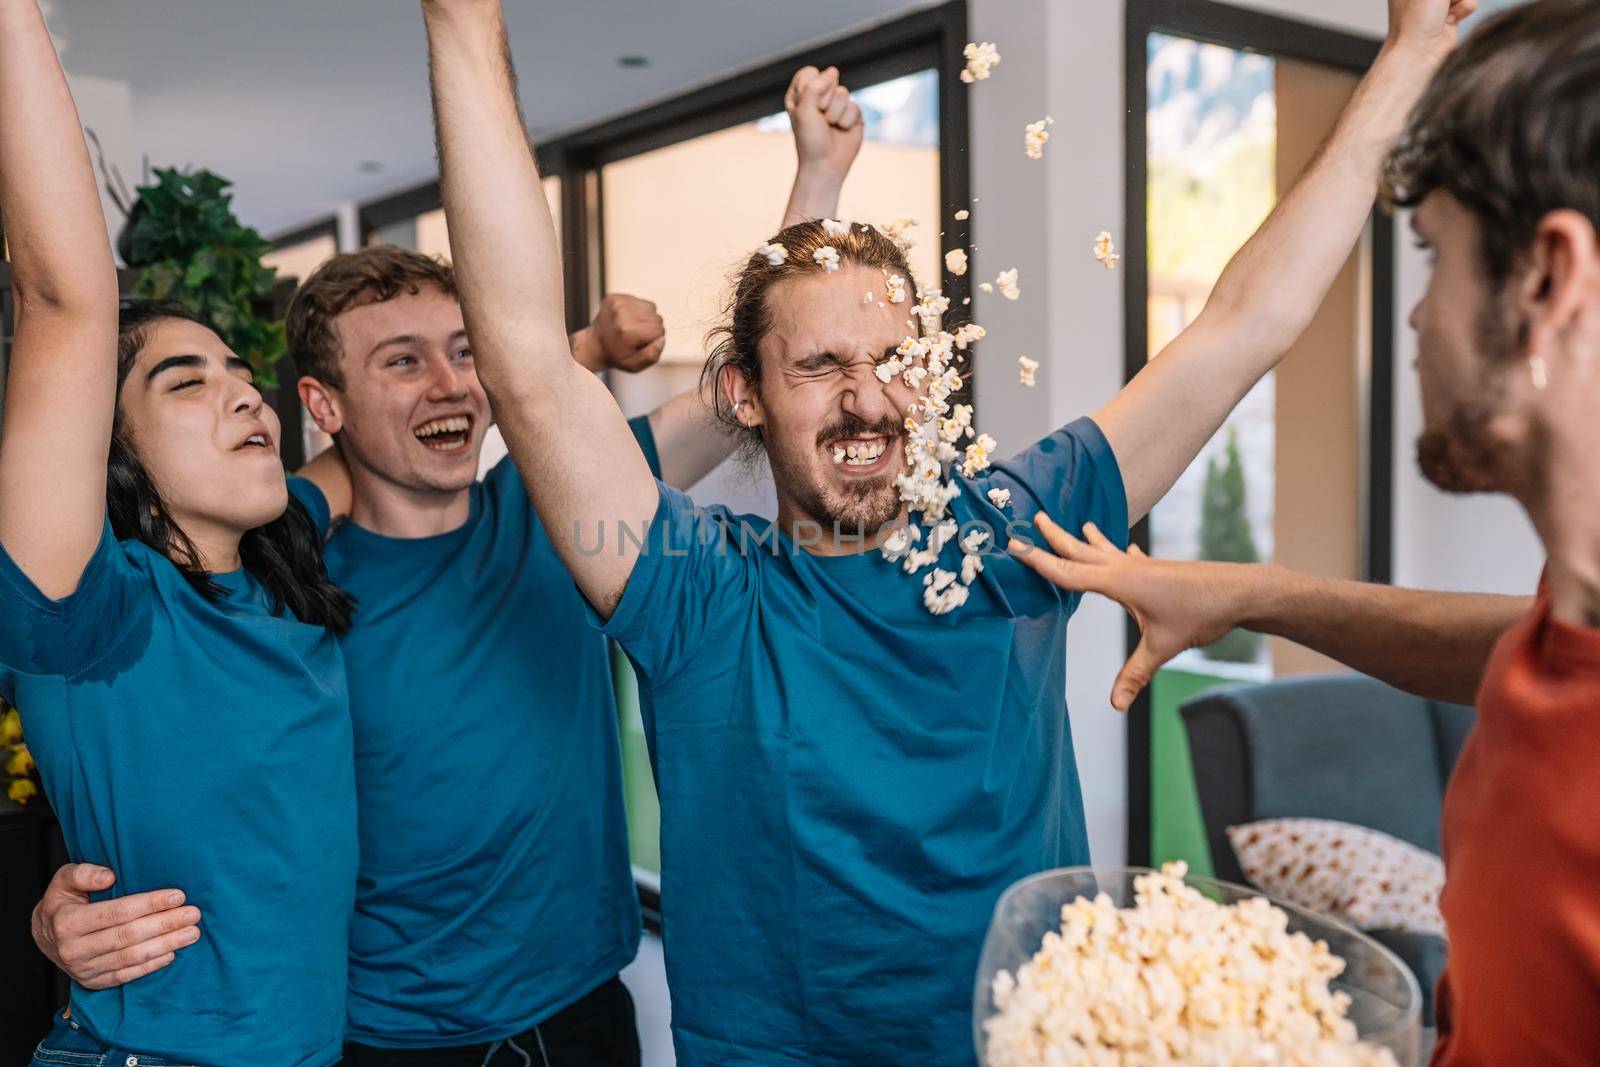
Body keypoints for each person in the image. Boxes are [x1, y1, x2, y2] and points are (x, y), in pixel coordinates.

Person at [420, 0, 1474, 1061]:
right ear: (743, 393)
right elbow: (523, 358)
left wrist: (1410, 52)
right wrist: (462, 22)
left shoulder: (1014, 534)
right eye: (823, 368)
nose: (870, 400)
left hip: (1025, 1039)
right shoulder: (696, 591)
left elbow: (1244, 324)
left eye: (896, 359)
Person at [28, 62, 866, 1067]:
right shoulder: (287, 577)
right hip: (386, 1038)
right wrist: (58, 916)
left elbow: (746, 388)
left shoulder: (562, 514)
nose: (450, 382)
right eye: (402, 359)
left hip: (588, 1006)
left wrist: (817, 179)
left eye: (465, 351)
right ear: (325, 405)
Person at [1012, 2, 1600, 1062]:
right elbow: (1515, 651)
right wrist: (1254, 593)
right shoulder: (1563, 628)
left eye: (1432, 258)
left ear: (1548, 280)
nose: (1413, 320)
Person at [0, 1, 357, 1064]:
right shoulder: (96, 612)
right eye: (186, 380)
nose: (245, 394)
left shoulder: (282, 551)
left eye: (243, 373)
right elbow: (66, 300)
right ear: (110, 450)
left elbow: (404, 443)